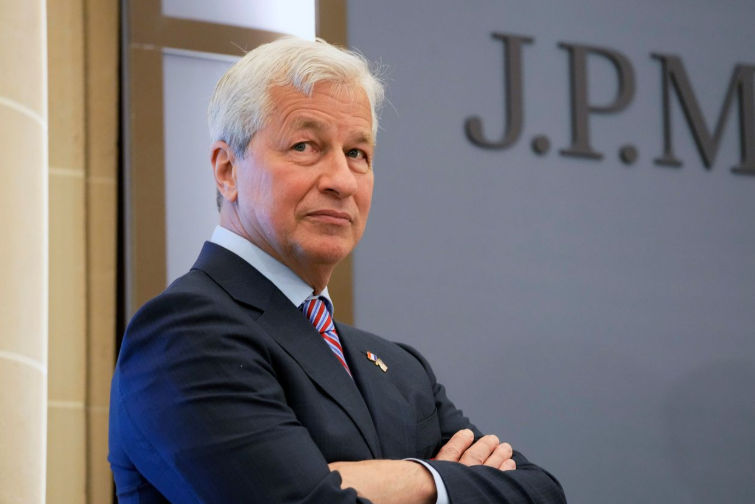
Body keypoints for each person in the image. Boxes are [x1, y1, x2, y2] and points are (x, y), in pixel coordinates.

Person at [109, 36, 566, 504]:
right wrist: (446, 481)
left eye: (357, 154)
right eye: (305, 146)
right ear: (228, 170)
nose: (342, 181)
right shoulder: (185, 332)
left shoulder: (401, 370)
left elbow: (541, 493)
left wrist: (415, 479)